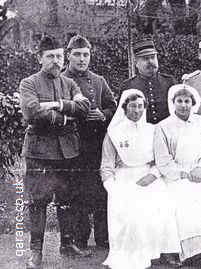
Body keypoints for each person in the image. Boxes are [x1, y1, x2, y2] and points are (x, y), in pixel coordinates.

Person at [19, 35, 91, 269]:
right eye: (50, 56)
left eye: (59, 56)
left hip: (68, 151)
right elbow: (31, 113)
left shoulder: (69, 83)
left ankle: (66, 243)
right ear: (40, 58)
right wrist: (64, 117)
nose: (56, 61)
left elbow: (84, 107)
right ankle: (36, 250)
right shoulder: (28, 83)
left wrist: (54, 105)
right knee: (38, 201)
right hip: (39, 151)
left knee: (67, 199)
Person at [100, 89, 182, 269]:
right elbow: (106, 167)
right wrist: (114, 190)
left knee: (165, 204)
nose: (136, 111)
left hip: (150, 175)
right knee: (131, 211)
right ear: (124, 107)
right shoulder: (114, 133)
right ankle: (135, 253)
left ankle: (163, 251)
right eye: (132, 106)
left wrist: (152, 176)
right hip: (124, 177)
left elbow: (160, 159)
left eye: (140, 106)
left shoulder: (153, 130)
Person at [153, 84, 201, 265]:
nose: (184, 105)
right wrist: (185, 174)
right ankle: (194, 254)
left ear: (193, 103)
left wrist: (200, 169)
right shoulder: (163, 127)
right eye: (179, 101)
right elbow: (163, 162)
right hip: (176, 177)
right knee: (185, 202)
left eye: (187, 101)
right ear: (173, 103)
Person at [62, 34, 117, 249]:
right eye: (77, 54)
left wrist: (103, 115)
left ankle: (103, 238)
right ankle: (80, 238)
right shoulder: (61, 80)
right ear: (68, 56)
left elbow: (113, 107)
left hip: (97, 145)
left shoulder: (98, 80)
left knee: (101, 191)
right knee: (78, 194)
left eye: (86, 54)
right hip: (72, 144)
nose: (82, 59)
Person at [119, 38, 177, 124]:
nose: (151, 61)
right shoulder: (127, 86)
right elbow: (121, 117)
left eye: (153, 57)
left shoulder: (169, 82)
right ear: (136, 63)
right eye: (146, 59)